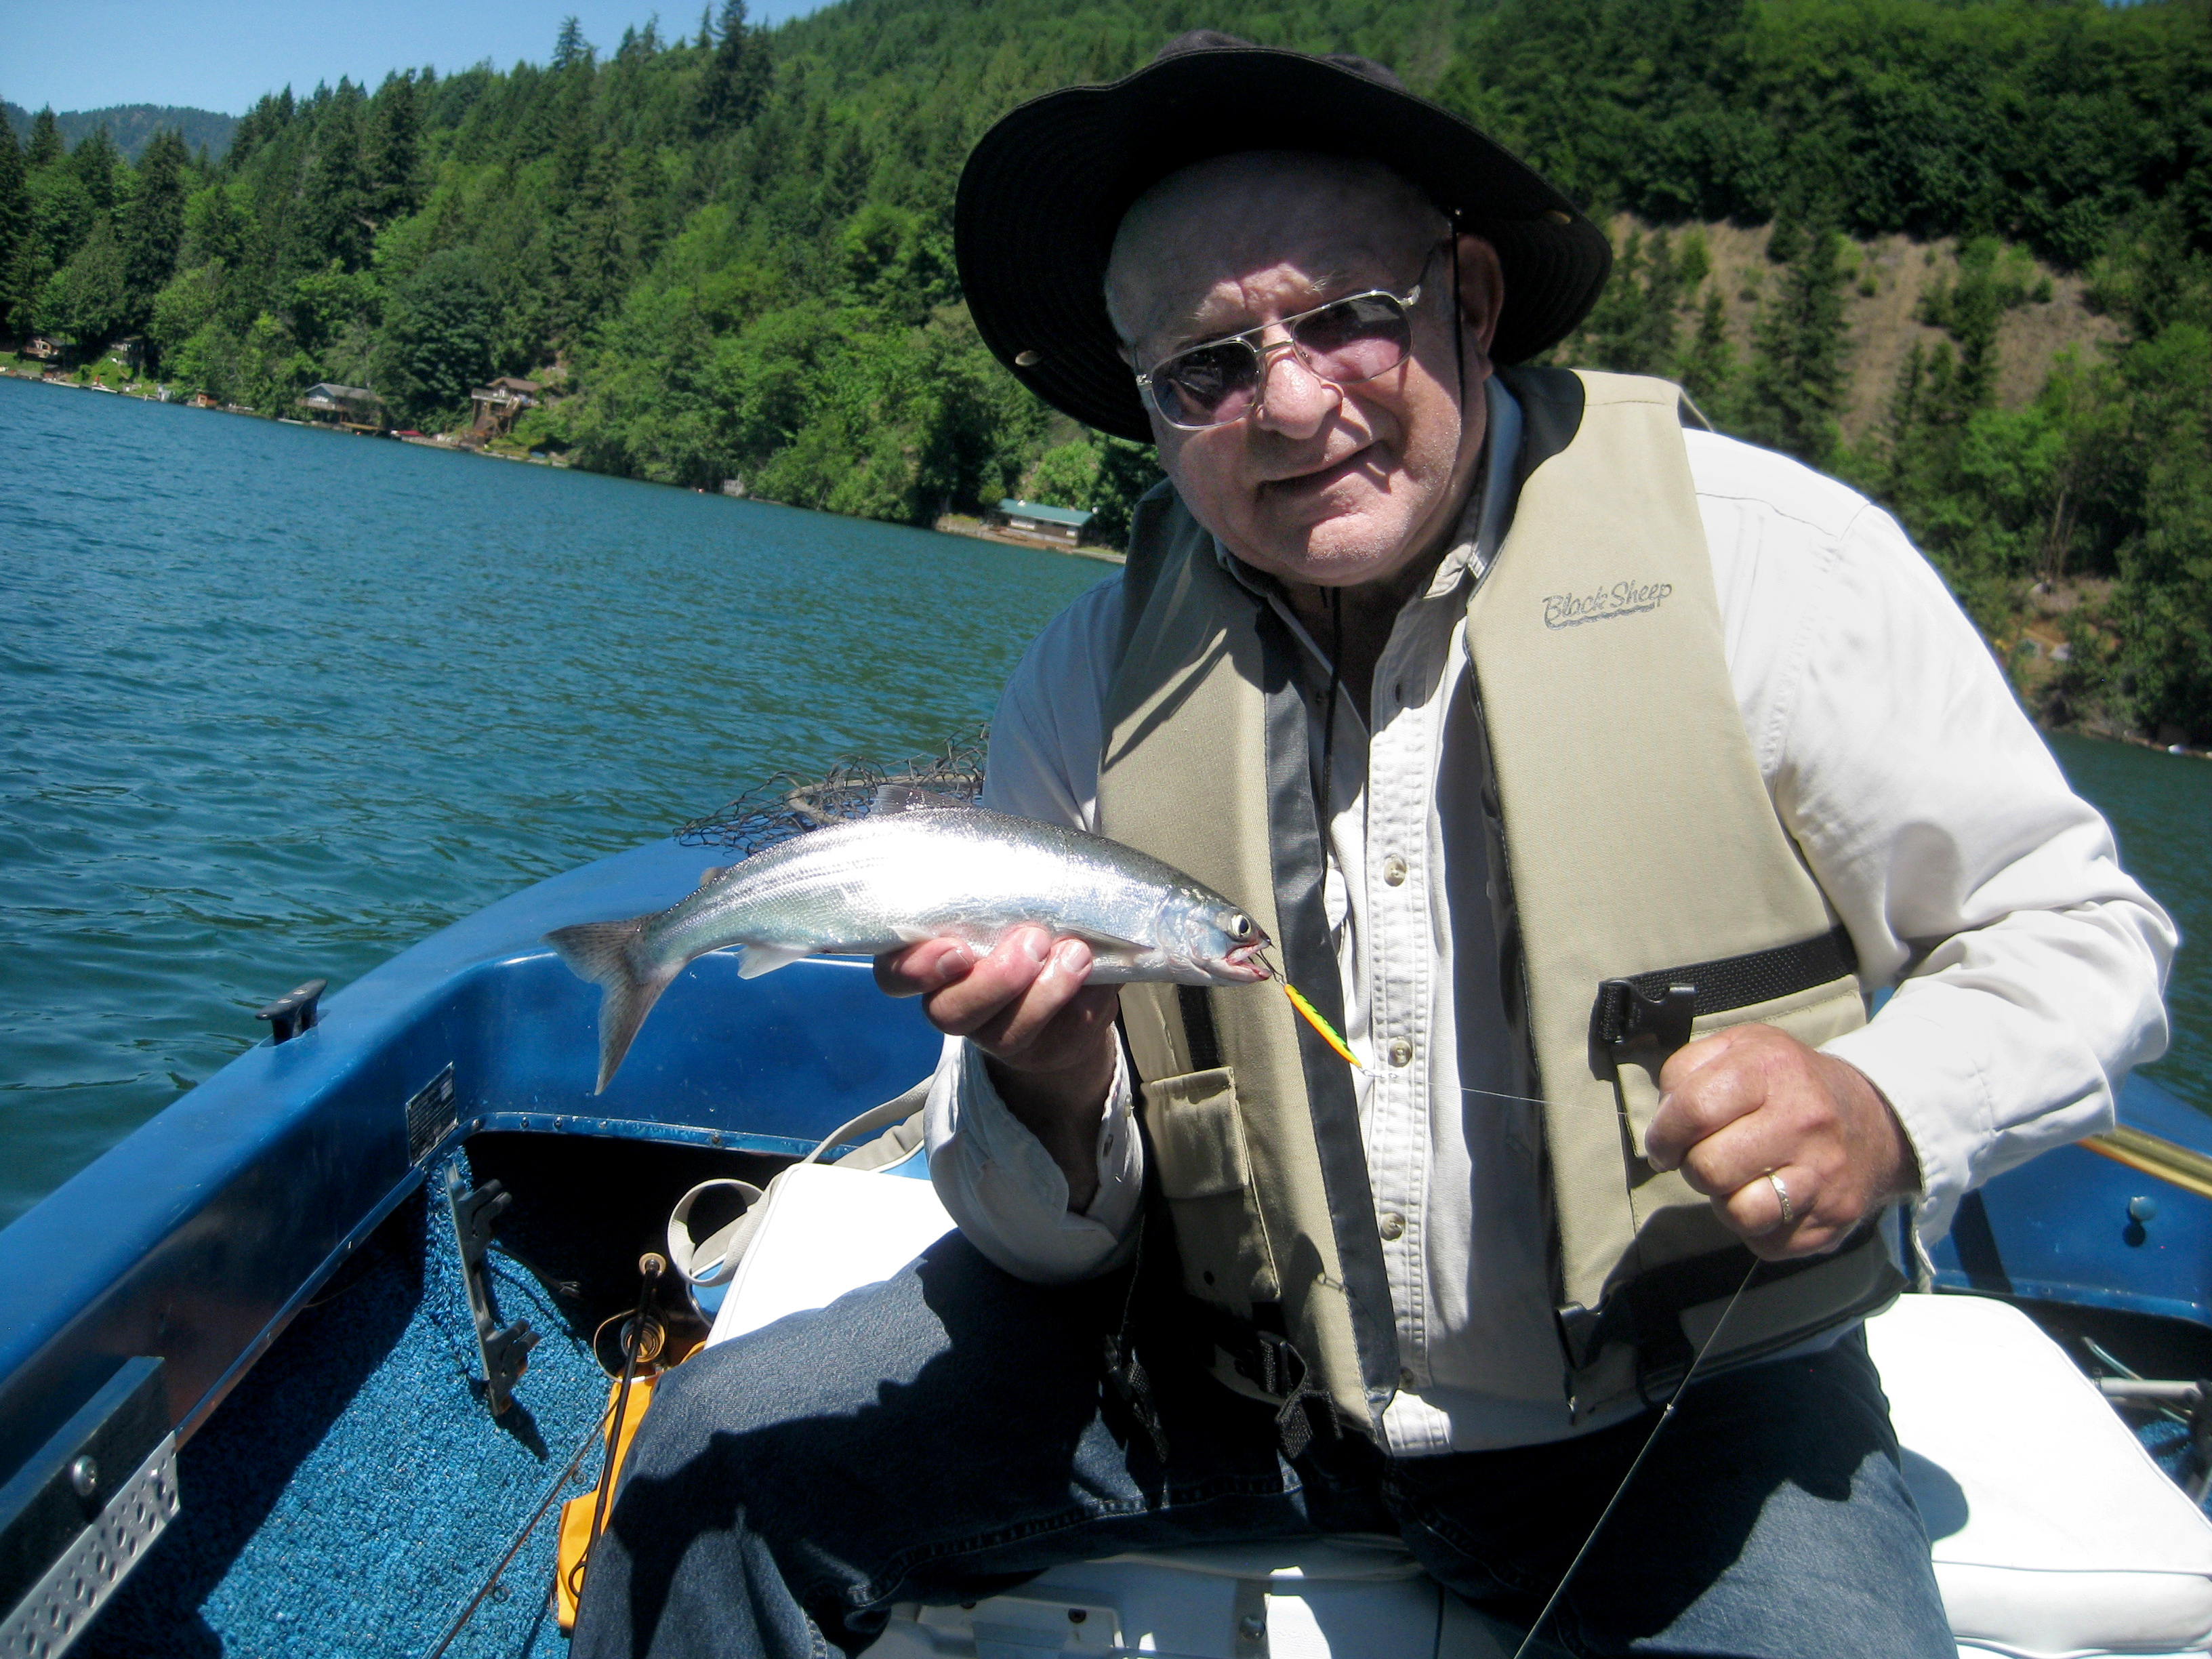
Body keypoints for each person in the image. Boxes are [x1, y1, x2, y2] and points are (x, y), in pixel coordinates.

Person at [573, 35, 2174, 1659]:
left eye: (1344, 315)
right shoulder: (1084, 682)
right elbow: (1035, 1234)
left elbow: (2075, 934)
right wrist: (1050, 1091)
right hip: (1189, 1369)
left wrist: (1888, 1108)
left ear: (1469, 299)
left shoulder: (1776, 571)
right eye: (1203, 368)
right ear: (1148, 406)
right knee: (710, 1466)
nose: (1286, 402)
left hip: (1683, 1410)